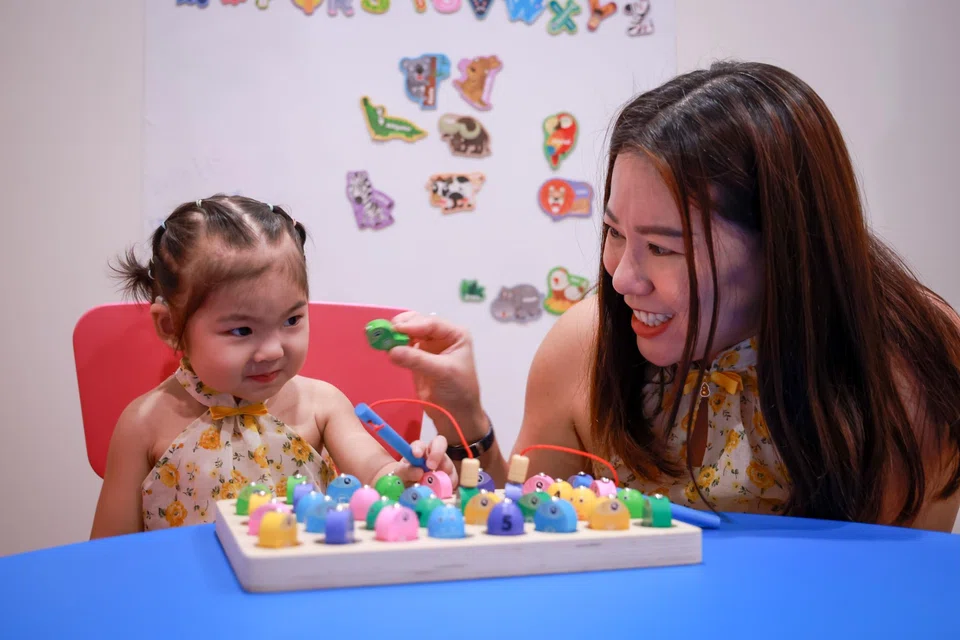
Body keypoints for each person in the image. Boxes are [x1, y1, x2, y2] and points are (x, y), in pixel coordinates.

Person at [386, 61, 960, 532]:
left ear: (784, 249)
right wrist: (468, 422)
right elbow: (521, 524)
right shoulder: (582, 346)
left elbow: (897, 585)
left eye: (663, 248)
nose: (621, 279)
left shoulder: (917, 362)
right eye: (614, 233)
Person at [90, 195, 455, 538]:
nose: (271, 350)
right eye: (242, 330)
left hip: (299, 590)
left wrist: (409, 475)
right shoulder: (144, 424)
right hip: (187, 596)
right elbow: (109, 552)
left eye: (291, 320)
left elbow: (378, 472)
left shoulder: (321, 404)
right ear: (172, 328)